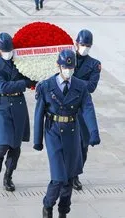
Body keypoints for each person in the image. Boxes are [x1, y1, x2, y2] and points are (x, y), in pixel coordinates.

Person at [33, 49, 101, 218]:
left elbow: (87, 108)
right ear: (58, 65)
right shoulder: (46, 86)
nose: (68, 70)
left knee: (69, 178)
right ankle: (48, 205)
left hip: (72, 133)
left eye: (70, 67)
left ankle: (63, 210)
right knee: (58, 177)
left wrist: (93, 131)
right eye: (65, 67)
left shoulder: (80, 86)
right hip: (53, 132)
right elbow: (39, 112)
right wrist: (37, 140)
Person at [0, 32, 36, 192]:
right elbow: (2, 87)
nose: (8, 53)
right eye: (5, 50)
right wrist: (23, 83)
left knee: (16, 145)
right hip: (3, 105)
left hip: (19, 104)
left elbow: (31, 77)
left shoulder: (18, 61)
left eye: (10, 49)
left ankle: (8, 175)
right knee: (3, 140)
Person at [72, 29, 101, 191]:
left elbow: (91, 87)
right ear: (76, 43)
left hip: (83, 105)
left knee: (84, 144)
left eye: (87, 45)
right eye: (82, 45)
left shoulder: (94, 64)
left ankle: (76, 174)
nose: (85, 48)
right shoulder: (67, 57)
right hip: (67, 105)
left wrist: (72, 80)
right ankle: (67, 173)